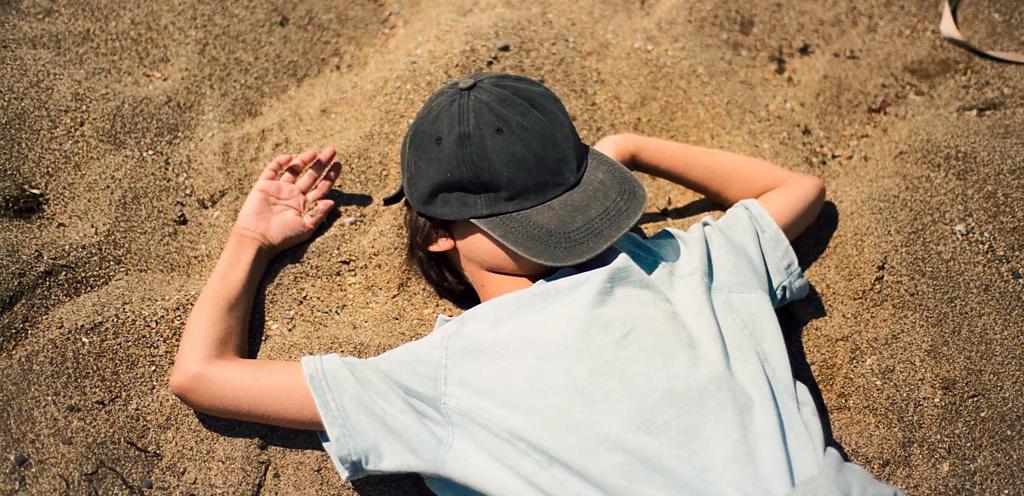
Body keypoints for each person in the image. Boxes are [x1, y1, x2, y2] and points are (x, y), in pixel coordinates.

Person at [170, 73, 902, 495]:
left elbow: (202, 375)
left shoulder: (440, 376)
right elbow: (797, 189)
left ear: (436, 232)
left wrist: (250, 242)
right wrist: (627, 149)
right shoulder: (677, 268)